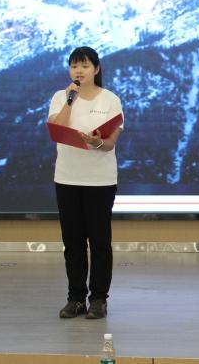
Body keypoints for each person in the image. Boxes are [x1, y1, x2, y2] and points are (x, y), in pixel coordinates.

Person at [47, 46, 124, 320]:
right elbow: (57, 131)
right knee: (73, 242)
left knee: (100, 242)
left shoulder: (110, 100)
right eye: (74, 66)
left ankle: (99, 299)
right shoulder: (61, 97)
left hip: (100, 181)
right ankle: (76, 298)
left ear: (96, 69)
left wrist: (97, 142)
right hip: (67, 178)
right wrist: (71, 101)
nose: (78, 71)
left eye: (84, 66)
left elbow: (111, 142)